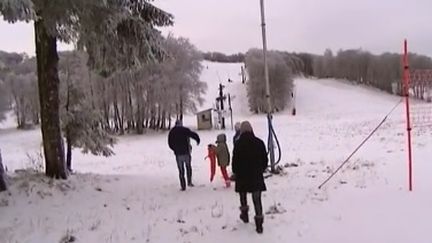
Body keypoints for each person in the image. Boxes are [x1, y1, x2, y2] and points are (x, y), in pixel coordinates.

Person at [232, 121, 268, 234]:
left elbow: (235, 162)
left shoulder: (238, 144)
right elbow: (265, 160)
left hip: (242, 176)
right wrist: (261, 169)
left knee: (243, 196)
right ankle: (259, 223)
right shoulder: (259, 142)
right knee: (257, 199)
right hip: (256, 175)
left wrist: (236, 172)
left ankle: (245, 215)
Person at [168, 120, 200, 191]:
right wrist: (197, 140)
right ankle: (189, 181)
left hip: (178, 154)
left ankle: (183, 186)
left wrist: (174, 149)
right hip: (186, 152)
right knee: (188, 167)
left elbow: (170, 143)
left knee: (181, 170)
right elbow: (193, 135)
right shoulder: (185, 130)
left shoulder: (172, 132)